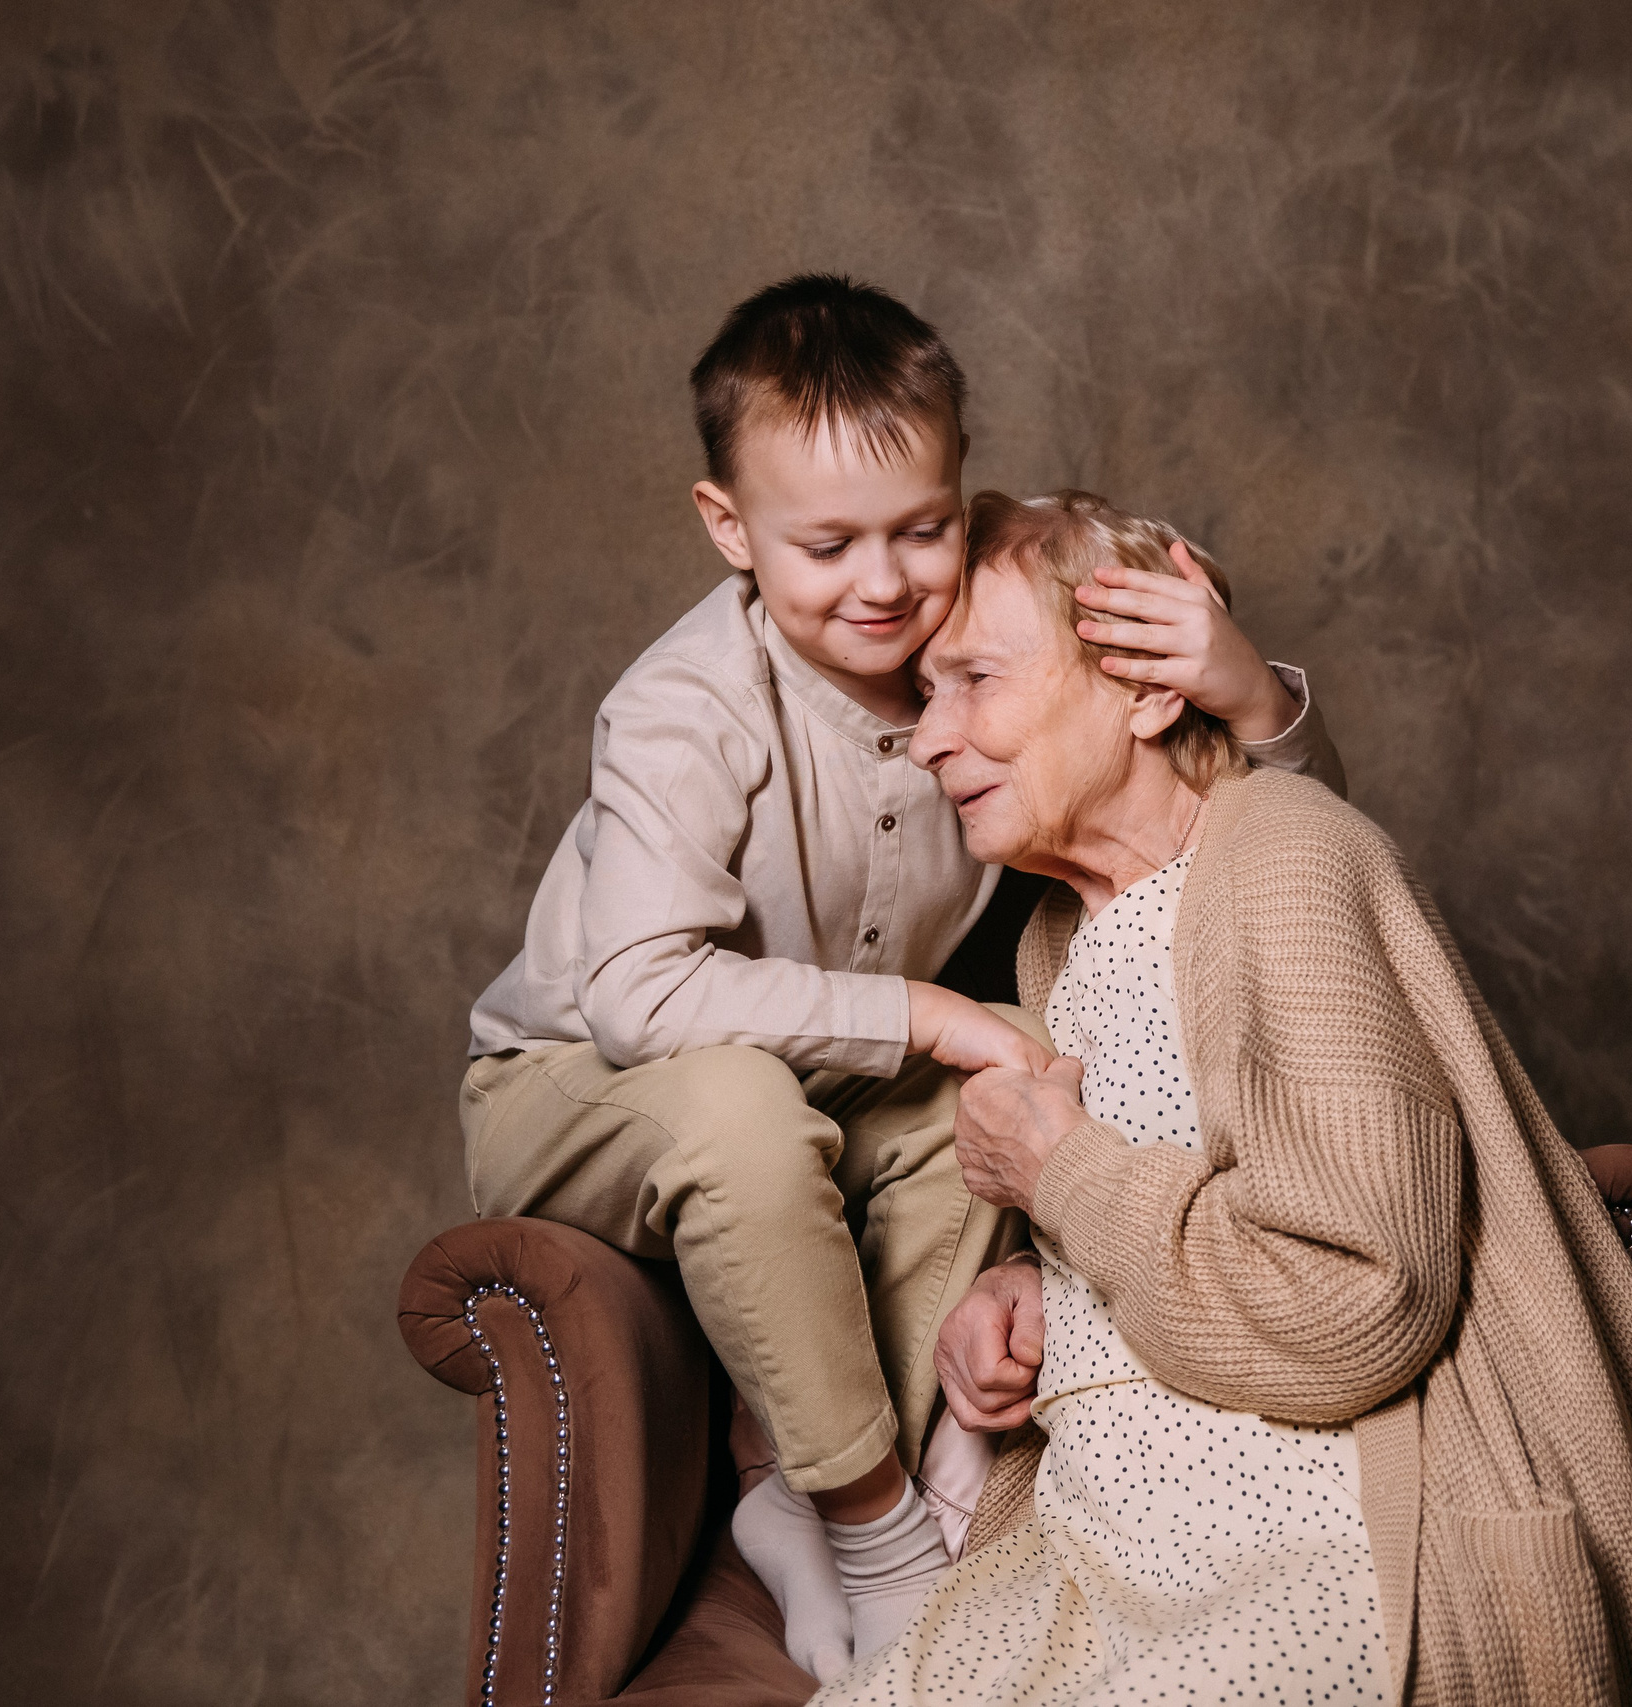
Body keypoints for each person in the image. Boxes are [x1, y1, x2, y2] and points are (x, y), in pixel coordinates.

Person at [460, 278, 1349, 1677]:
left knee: (1011, 1062)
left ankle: (901, 1465)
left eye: (921, 529)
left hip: (820, 1077)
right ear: (727, 528)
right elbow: (640, 996)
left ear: (960, 493)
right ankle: (864, 1520)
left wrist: (1246, 690)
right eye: (824, 544)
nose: (883, 583)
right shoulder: (685, 705)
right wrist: (920, 1012)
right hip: (578, 1083)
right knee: (754, 1107)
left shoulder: (969, 616)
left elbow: (1260, 834)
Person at [811, 489, 1632, 1705]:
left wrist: (1062, 1177)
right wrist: (1034, 1291)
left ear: (1149, 689)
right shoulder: (1061, 937)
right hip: (1099, 1548)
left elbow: (1359, 1302)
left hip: (1312, 1550)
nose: (931, 737)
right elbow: (1180, 1214)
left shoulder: (1282, 857)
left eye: (975, 682)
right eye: (922, 695)